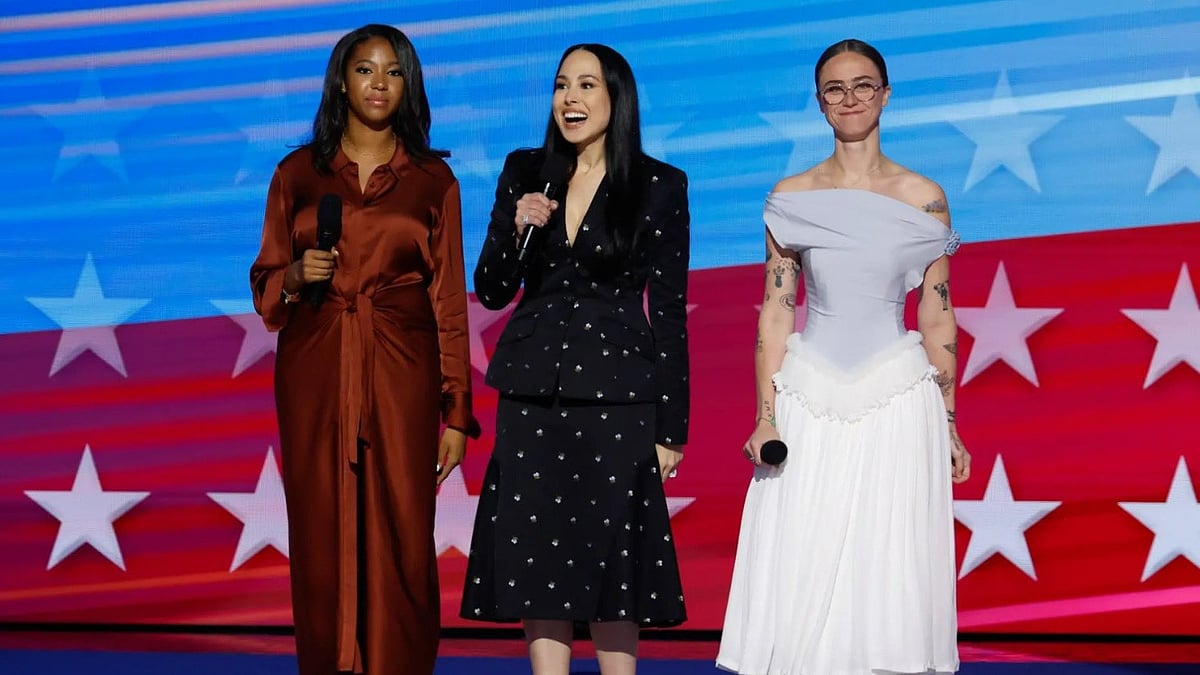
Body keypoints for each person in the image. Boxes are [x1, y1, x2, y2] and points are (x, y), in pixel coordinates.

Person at [716, 39, 972, 675]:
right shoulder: (791, 196)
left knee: (889, 565)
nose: (850, 98)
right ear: (820, 103)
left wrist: (948, 421)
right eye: (835, 88)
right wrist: (765, 414)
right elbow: (777, 308)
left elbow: (936, 313)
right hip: (808, 398)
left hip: (897, 398)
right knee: (801, 558)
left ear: (885, 95)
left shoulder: (924, 197)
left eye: (863, 85)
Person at [249, 24, 479, 675]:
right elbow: (266, 289)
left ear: (408, 83)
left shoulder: (434, 180)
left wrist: (456, 410)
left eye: (392, 71)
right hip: (315, 370)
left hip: (402, 371)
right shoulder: (297, 173)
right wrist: (296, 276)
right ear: (340, 81)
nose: (378, 84)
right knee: (321, 534)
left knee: (404, 532)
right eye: (364, 70)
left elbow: (448, 304)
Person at [459, 43, 691, 675]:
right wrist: (515, 226)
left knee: (615, 556)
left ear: (616, 99)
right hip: (534, 394)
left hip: (619, 397)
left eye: (588, 86)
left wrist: (673, 428)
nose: (571, 99)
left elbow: (668, 313)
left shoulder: (660, 186)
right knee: (537, 556)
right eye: (563, 85)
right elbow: (492, 288)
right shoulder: (525, 170)